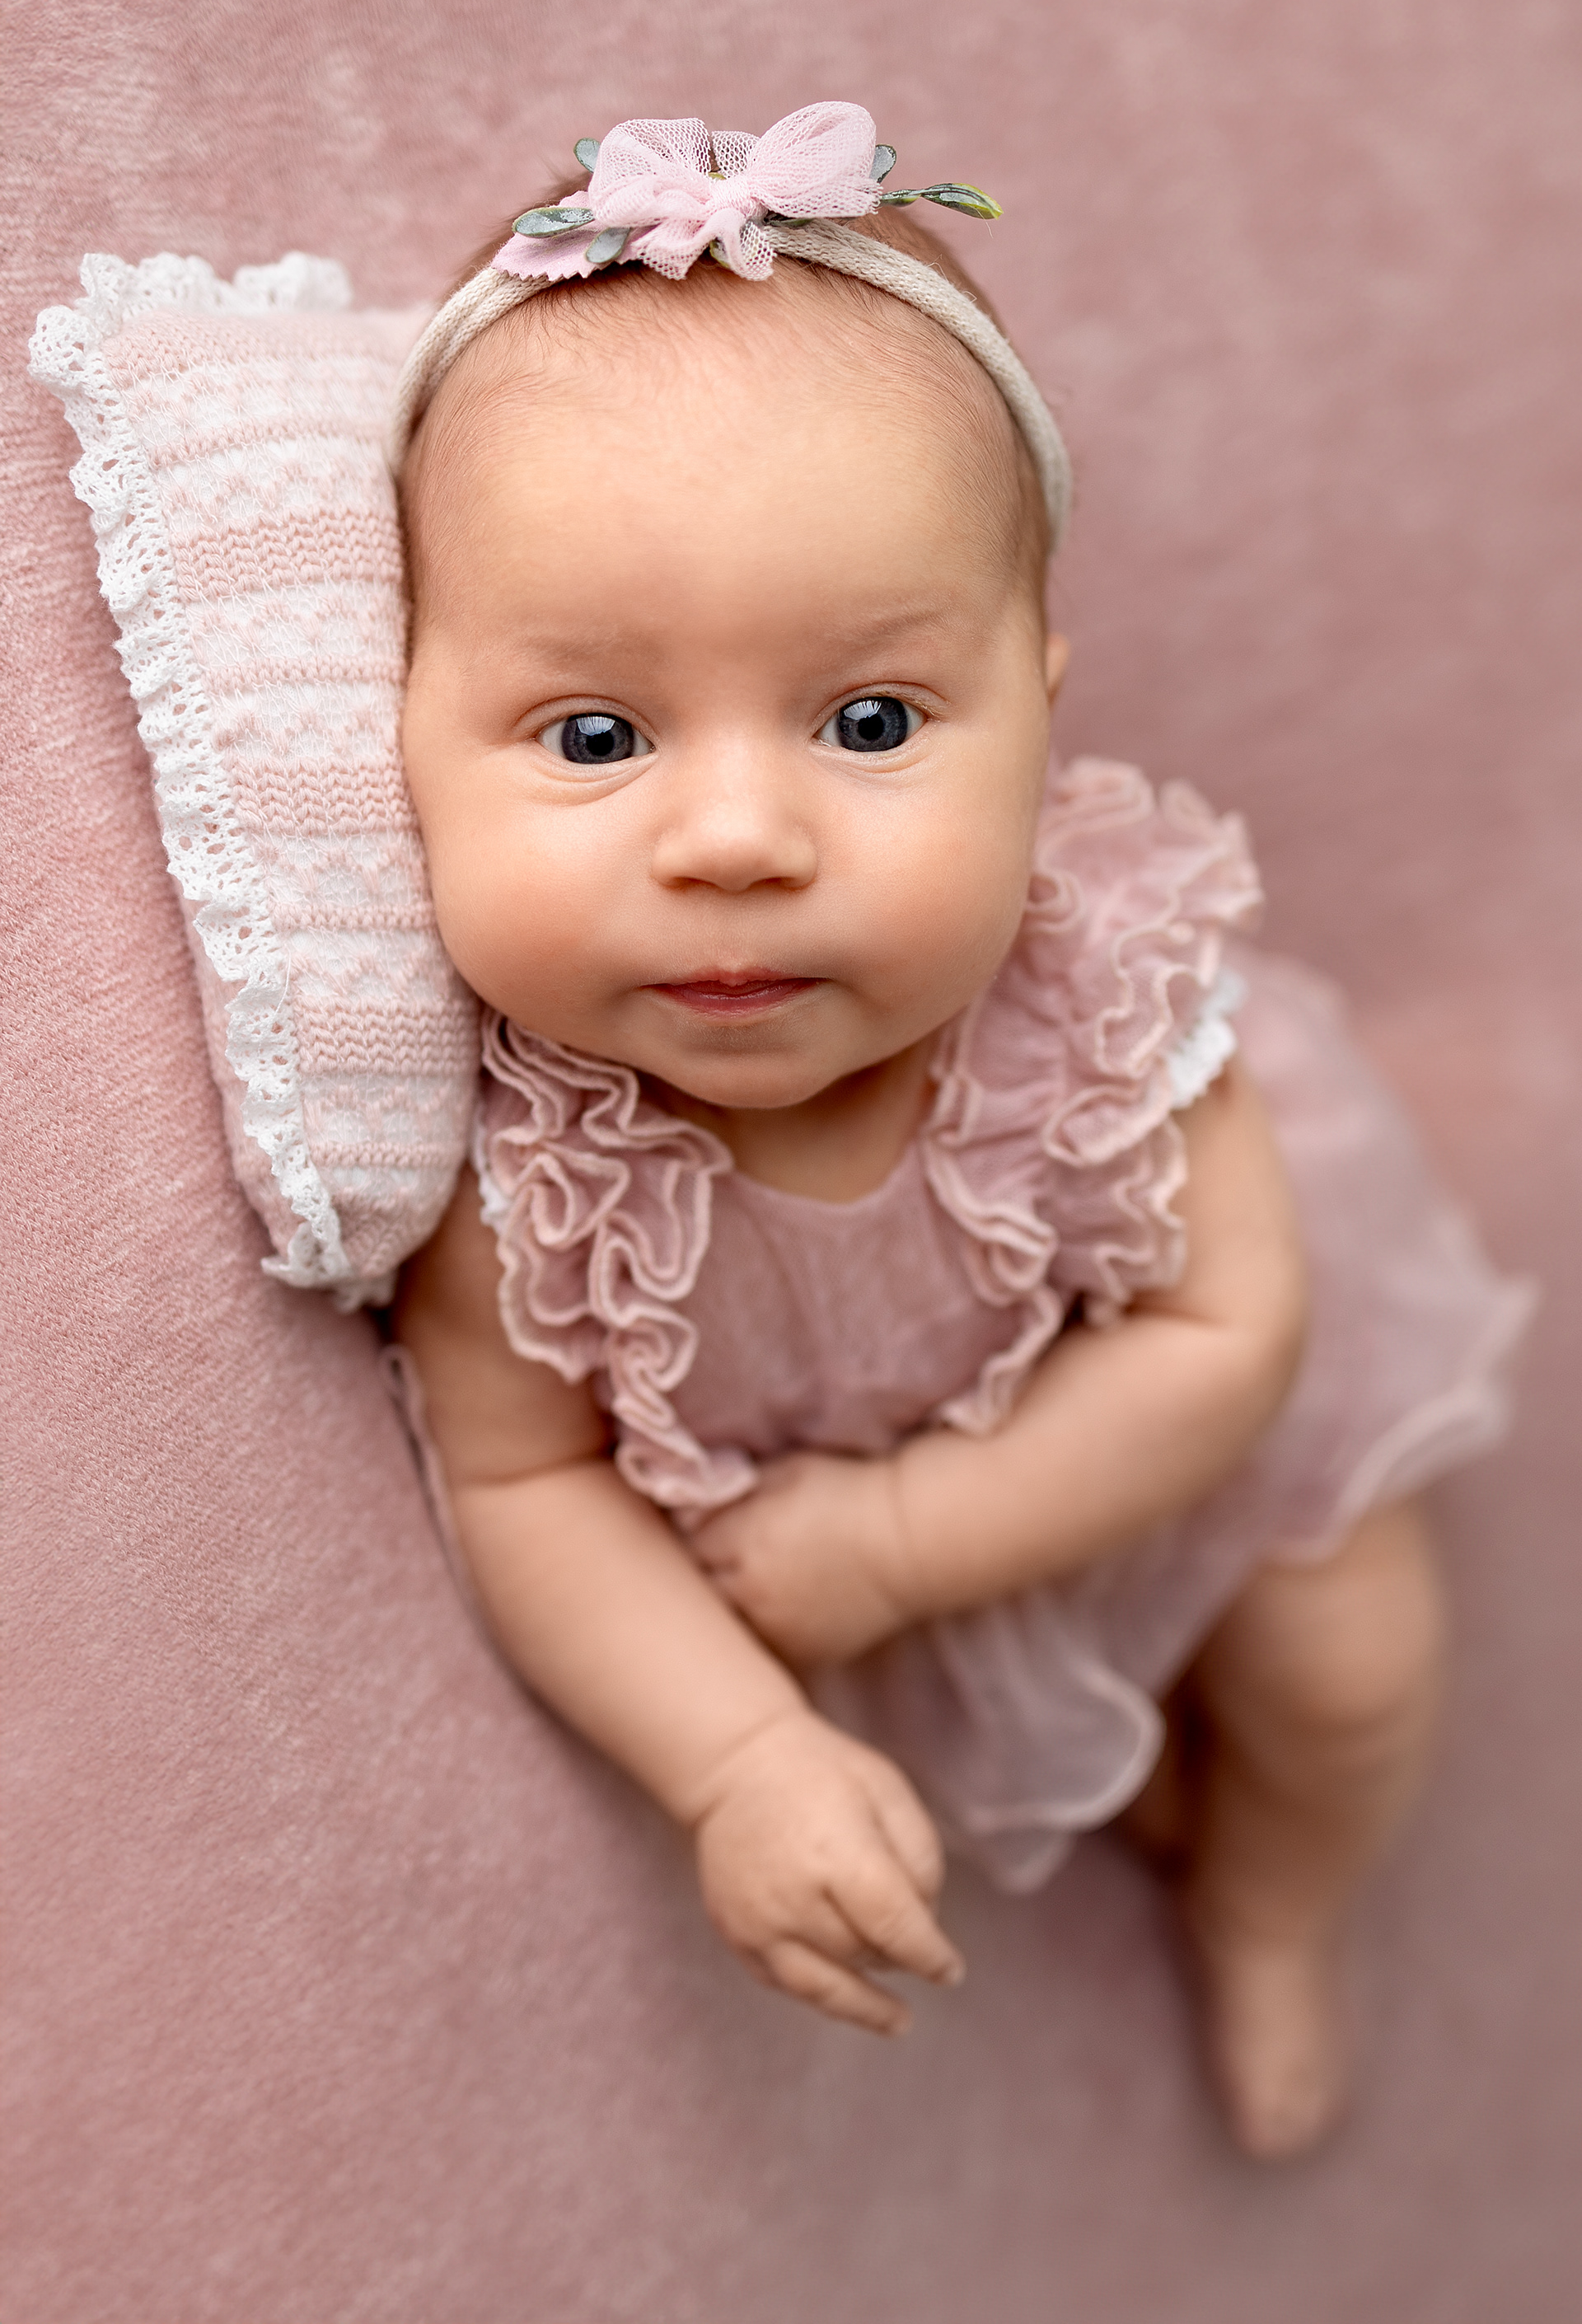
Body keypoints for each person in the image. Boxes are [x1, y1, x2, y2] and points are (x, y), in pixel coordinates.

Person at [389, 104, 1526, 2158]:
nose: (739, 840)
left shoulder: (1098, 1013)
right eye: (595, 735)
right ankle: (1152, 1774)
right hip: (811, 1565)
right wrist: (741, 1761)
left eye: (872, 721)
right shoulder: (531, 1160)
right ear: (399, 734)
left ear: (1043, 712)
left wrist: (909, 1542)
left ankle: (1282, 1897)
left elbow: (1228, 1337)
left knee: (1351, 1666)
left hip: (1150, 1439)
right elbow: (521, 1482)